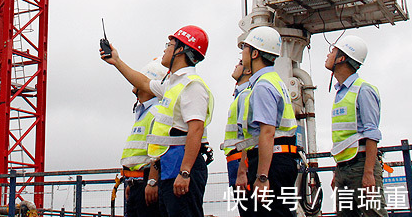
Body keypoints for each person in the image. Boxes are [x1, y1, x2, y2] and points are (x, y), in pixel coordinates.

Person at [101, 25, 214, 217]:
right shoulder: (172, 84)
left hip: (183, 168)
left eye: (169, 45)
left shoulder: (192, 85)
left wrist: (185, 172)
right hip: (170, 167)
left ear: (180, 50)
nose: (165, 49)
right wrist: (117, 61)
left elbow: (195, 130)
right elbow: (144, 83)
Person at [235, 26, 299, 217]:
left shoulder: (263, 86)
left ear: (255, 53)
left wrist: (262, 177)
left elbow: (267, 132)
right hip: (281, 159)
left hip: (272, 163)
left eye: (245, 48)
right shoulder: (275, 81)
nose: (242, 52)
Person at [325, 35, 387, 217]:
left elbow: (371, 134)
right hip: (344, 168)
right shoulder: (340, 93)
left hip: (361, 166)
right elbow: (344, 138)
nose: (328, 55)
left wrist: (369, 174)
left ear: (342, 58)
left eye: (333, 51)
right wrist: (338, 171)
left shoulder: (363, 90)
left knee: (373, 214)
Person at [121, 58, 168, 217]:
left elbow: (157, 150)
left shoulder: (156, 112)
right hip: (135, 183)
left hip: (146, 183)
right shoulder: (142, 112)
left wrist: (151, 181)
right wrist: (130, 183)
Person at [221, 59, 253, 217]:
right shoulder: (240, 95)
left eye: (240, 63)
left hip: (242, 162)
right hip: (237, 162)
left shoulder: (246, 94)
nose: (235, 65)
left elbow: (250, 135)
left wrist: (242, 170)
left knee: (248, 209)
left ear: (248, 71)